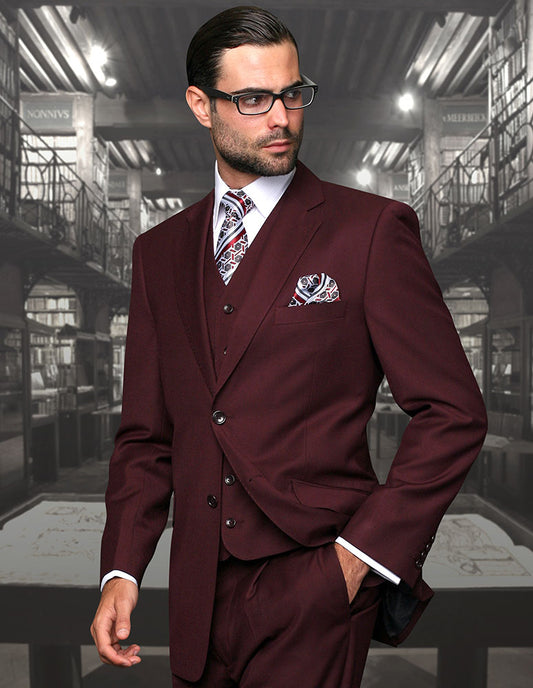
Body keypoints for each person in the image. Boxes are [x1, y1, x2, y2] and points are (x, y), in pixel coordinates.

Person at [90, 6, 487, 687]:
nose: (280, 118)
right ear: (199, 104)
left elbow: (453, 412)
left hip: (315, 584)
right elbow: (146, 436)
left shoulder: (368, 232)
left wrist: (356, 560)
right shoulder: (157, 254)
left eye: (292, 93)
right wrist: (123, 567)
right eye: (252, 99)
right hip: (194, 592)